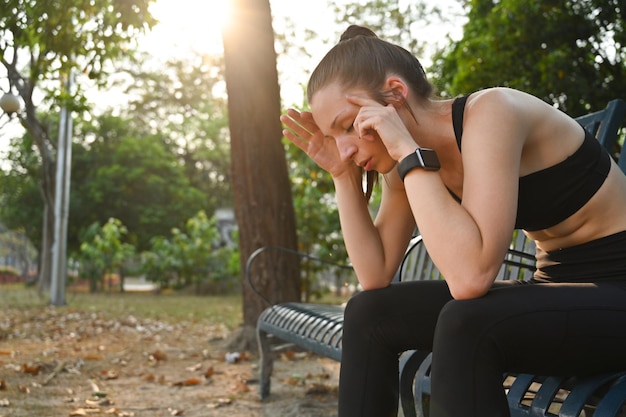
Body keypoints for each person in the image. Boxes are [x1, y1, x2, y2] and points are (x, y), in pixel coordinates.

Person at [281, 24, 626, 417]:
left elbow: (471, 278)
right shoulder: (403, 164)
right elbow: (374, 275)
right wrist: (342, 176)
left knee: (467, 322)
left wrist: (409, 153)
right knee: (367, 313)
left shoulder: (492, 113)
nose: (344, 148)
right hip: (558, 290)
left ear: (395, 94)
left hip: (619, 288)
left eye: (347, 126)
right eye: (332, 136)